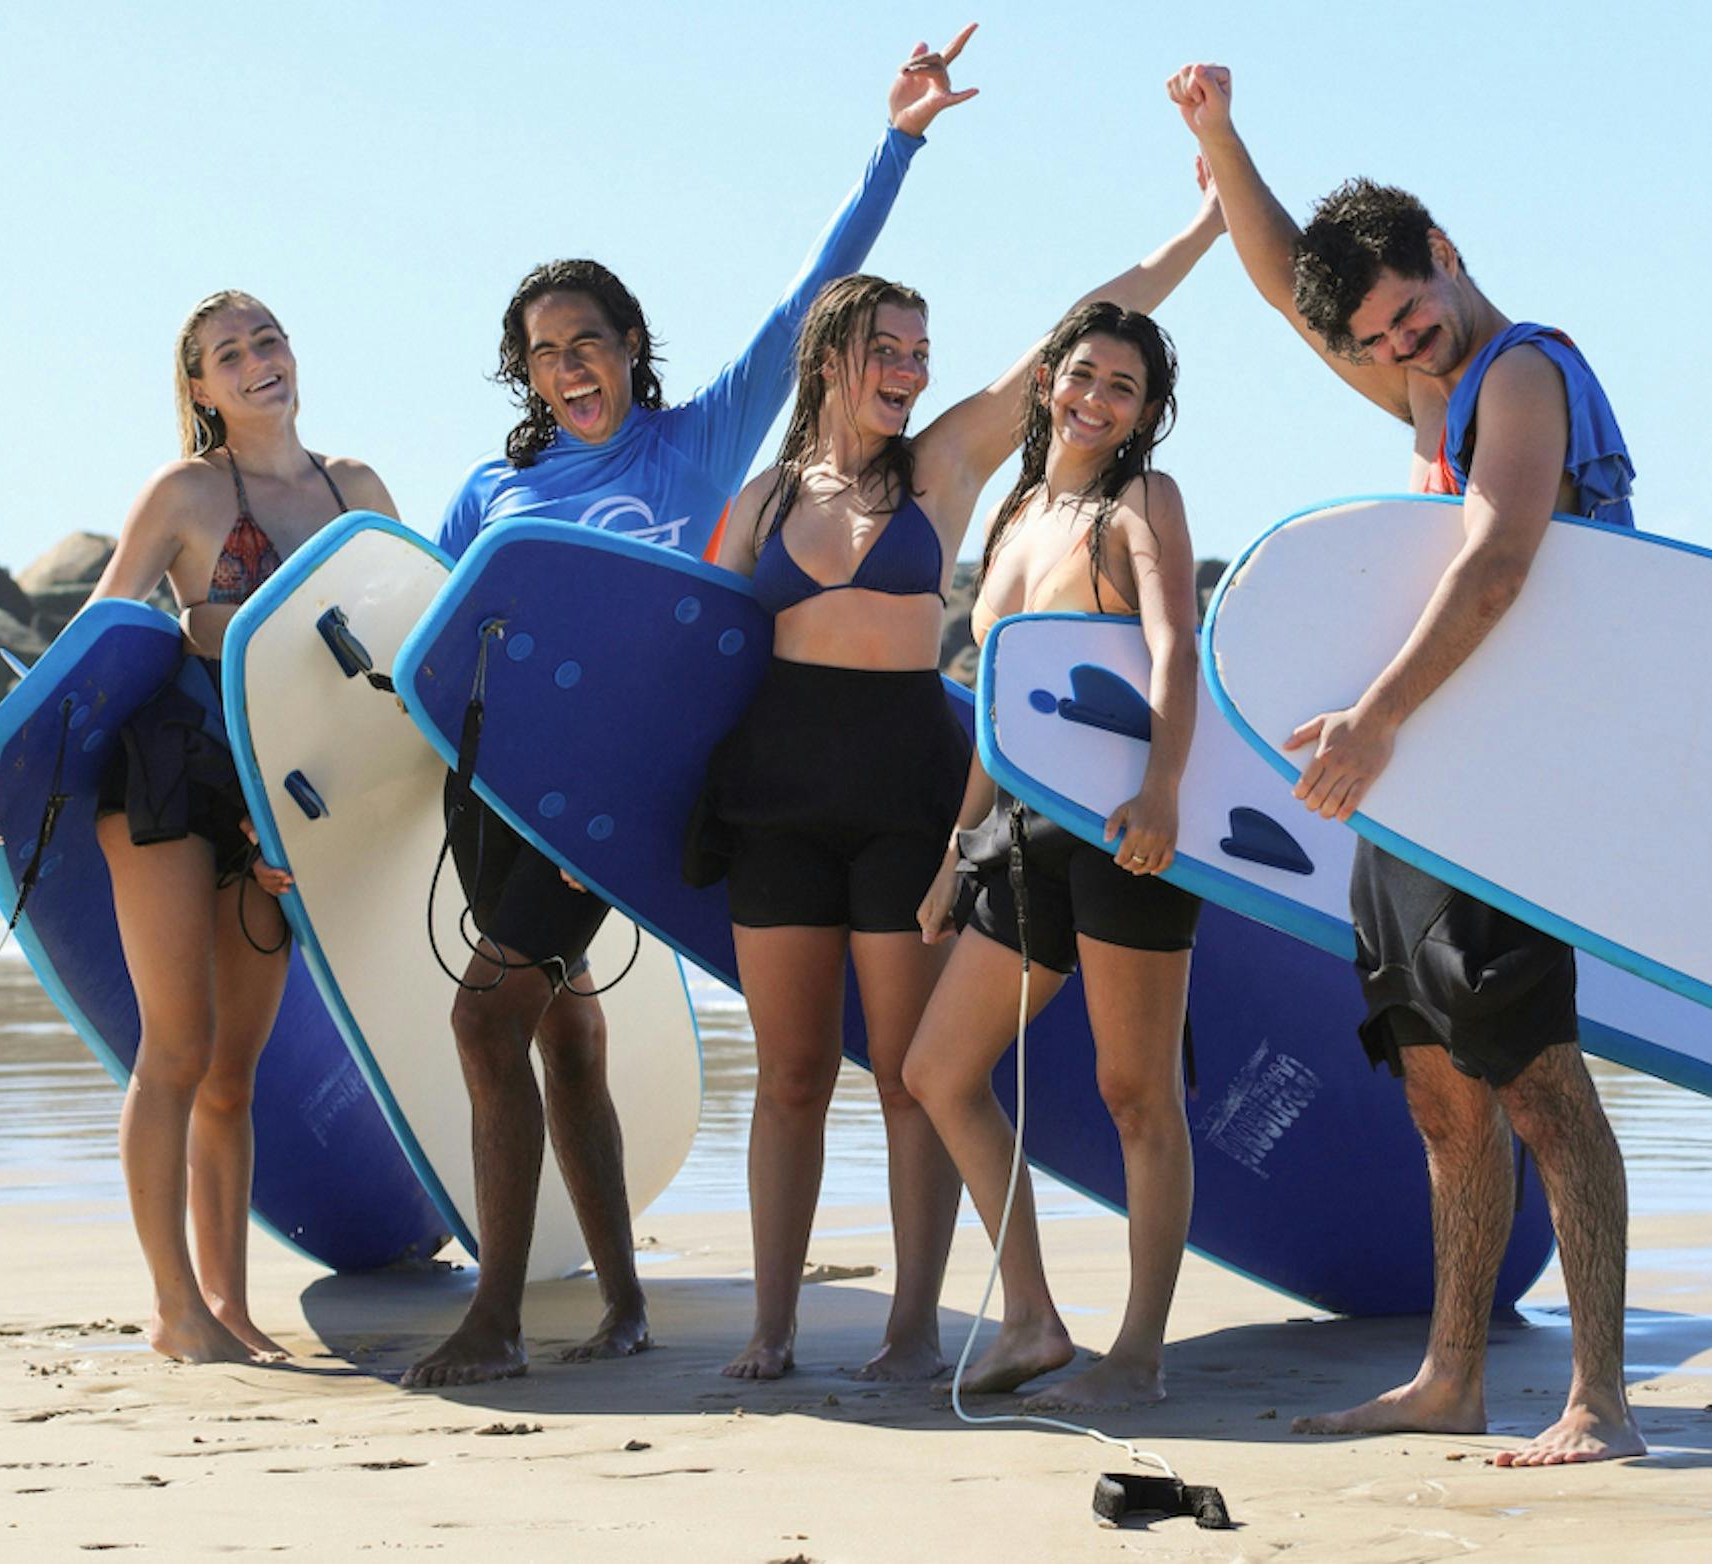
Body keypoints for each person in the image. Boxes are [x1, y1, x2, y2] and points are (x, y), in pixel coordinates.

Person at [401, 30, 980, 1392]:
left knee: (485, 1019)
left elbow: (813, 295)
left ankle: (494, 1317)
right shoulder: (493, 492)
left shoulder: (703, 439)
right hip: (513, 790)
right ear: (525, 374)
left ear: (629, 349)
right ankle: (621, 1305)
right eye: (543, 354)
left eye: (587, 343)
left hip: (638, 790)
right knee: (563, 1026)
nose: (568, 368)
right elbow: (433, 637)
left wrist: (898, 140)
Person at [1170, 62, 1645, 1466]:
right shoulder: (1431, 389)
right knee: (1439, 1090)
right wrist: (1221, 139)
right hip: (1419, 791)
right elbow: (1289, 294)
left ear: (1443, 252)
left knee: (1540, 1083)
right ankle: (1451, 1376)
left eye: (1406, 315)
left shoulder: (1523, 373)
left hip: (1505, 784)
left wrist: (1371, 719)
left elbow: (1498, 563)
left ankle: (1600, 1401)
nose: (1398, 349)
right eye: (1376, 340)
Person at [699, 159, 1223, 1382]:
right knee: (789, 1075)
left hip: (908, 788)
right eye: (886, 349)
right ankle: (772, 1328)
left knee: (910, 1075)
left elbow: (1079, 336)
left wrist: (1201, 226)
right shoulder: (762, 500)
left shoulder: (940, 471)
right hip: (782, 794)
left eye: (921, 353)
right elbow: (696, 650)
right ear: (828, 356)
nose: (910, 369)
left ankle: (912, 1327)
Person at [0, 291, 398, 1364]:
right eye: (228, 354)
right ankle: (173, 1308)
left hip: (276, 796)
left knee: (235, 1069)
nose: (257, 362)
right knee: (177, 1049)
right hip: (163, 777)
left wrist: (335, 826)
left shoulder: (358, 490)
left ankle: (230, 1306)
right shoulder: (187, 491)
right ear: (200, 385)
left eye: (268, 340)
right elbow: (94, 641)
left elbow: (389, 650)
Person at [900, 300, 1202, 1409]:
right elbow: (999, 703)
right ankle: (1029, 1317)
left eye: (1123, 387)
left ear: (1145, 412)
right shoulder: (1017, 509)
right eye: (1082, 375)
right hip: (1021, 832)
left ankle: (1139, 1356)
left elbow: (1176, 648)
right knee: (938, 1070)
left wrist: (1161, 787)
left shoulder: (1143, 500)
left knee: (1135, 1092)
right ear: (1048, 382)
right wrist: (955, 851)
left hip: (1124, 829)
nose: (1095, 399)